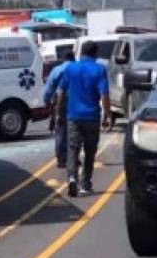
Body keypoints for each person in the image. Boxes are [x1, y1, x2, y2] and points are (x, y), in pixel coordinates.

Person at [55, 40, 112, 198]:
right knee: (90, 151)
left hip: (73, 116)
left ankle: (72, 177)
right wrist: (107, 115)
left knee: (72, 149)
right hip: (92, 116)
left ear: (81, 53)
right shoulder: (99, 69)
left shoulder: (71, 68)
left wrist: (59, 113)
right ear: (95, 54)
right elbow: (104, 95)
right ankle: (85, 183)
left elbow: (61, 92)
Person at [43, 51, 76, 169]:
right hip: (77, 103)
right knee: (75, 132)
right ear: (74, 58)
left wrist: (46, 101)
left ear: (63, 59)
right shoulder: (78, 69)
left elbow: (49, 88)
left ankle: (61, 159)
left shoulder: (57, 70)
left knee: (61, 132)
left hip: (60, 104)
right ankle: (74, 158)